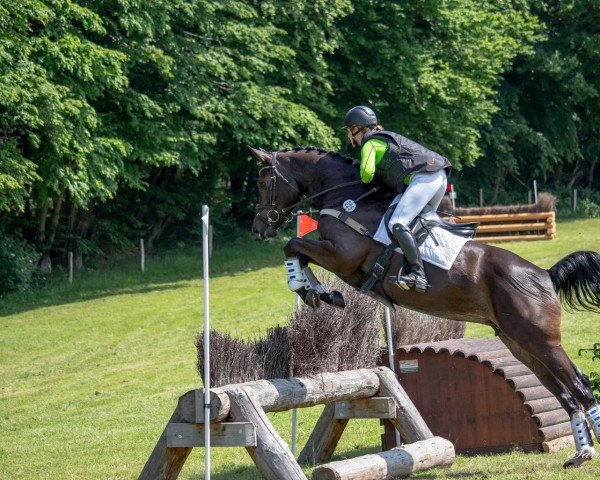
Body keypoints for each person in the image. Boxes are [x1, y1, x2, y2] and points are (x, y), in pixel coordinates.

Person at [343, 105, 451, 293]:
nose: (350, 136)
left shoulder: (370, 143)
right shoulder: (385, 137)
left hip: (425, 177)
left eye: (349, 131)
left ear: (356, 128)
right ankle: (429, 268)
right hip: (438, 176)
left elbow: (367, 175)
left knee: (398, 223)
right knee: (420, 224)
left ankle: (418, 273)